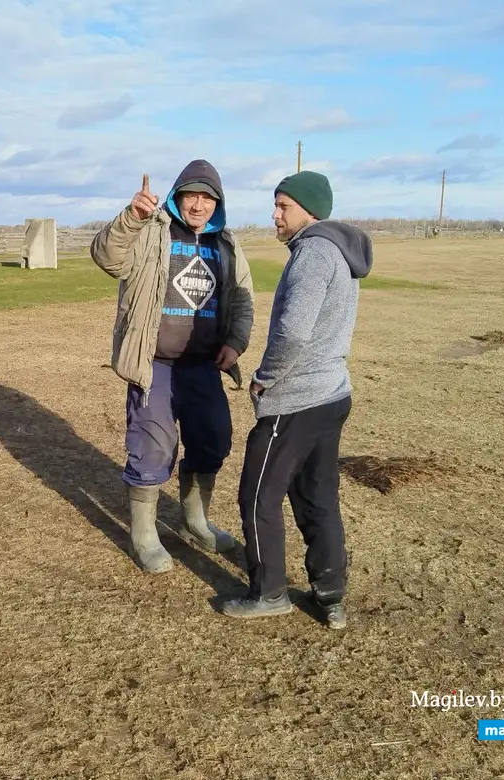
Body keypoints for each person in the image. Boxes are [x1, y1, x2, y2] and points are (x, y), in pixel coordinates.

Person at [222, 170, 372, 629]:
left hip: (296, 401)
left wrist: (265, 378)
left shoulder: (313, 253)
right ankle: (331, 598)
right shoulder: (340, 252)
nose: (275, 214)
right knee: (319, 497)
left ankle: (269, 594)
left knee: (257, 496)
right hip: (332, 395)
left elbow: (293, 331)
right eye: (276, 204)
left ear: (309, 209)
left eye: (283, 206)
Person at [90, 160, 255, 573]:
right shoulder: (152, 231)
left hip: (202, 366)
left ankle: (194, 521)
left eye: (207, 197)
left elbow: (243, 298)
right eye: (191, 195)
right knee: (153, 445)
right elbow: (106, 256)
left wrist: (235, 343)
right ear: (177, 196)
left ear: (217, 203)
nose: (198, 204)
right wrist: (132, 218)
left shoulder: (226, 244)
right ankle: (143, 535)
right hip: (155, 364)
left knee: (214, 439)